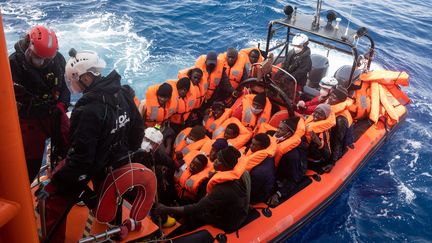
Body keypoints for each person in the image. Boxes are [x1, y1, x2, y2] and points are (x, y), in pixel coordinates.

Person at [37, 49, 145, 242]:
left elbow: (81, 161)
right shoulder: (123, 93)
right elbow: (137, 128)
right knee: (107, 195)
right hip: (116, 162)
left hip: (95, 166)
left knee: (51, 201)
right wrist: (122, 155)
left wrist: (56, 182)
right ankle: (107, 221)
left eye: (75, 80)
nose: (74, 85)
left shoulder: (87, 111)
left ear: (86, 77)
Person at [9, 25, 70, 182]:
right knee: (31, 164)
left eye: (46, 59)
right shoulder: (14, 64)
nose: (41, 63)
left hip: (54, 112)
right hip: (30, 119)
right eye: (37, 58)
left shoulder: (57, 60)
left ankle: (63, 184)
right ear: (28, 44)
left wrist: (62, 105)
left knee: (70, 150)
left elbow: (65, 88)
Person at [155, 146, 251, 232]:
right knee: (186, 200)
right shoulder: (243, 173)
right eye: (217, 158)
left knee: (196, 215)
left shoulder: (223, 190)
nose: (215, 161)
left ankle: (183, 231)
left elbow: (198, 208)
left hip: (227, 221)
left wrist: (167, 209)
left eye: (219, 160)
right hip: (235, 210)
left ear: (226, 166)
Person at [257, 117, 307, 207]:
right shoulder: (272, 136)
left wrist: (278, 194)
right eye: (278, 128)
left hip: (286, 172)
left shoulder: (291, 155)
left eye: (280, 129)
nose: (277, 131)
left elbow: (294, 178)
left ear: (288, 134)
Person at [243, 133, 277, 203]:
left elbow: (251, 191)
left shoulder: (259, 172)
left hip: (256, 196)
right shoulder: (265, 155)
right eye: (252, 143)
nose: (250, 146)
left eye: (254, 145)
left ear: (263, 148)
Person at [305, 103, 336, 173]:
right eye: (315, 112)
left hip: (312, 160)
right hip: (305, 153)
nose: (316, 115)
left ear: (325, 117)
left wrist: (318, 143)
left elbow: (327, 154)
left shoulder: (323, 133)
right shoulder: (310, 120)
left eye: (320, 114)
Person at [327, 85, 354, 164]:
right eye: (331, 95)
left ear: (340, 101)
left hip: (340, 140)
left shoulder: (340, 120)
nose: (330, 98)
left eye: (334, 97)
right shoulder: (331, 106)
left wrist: (332, 162)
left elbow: (338, 141)